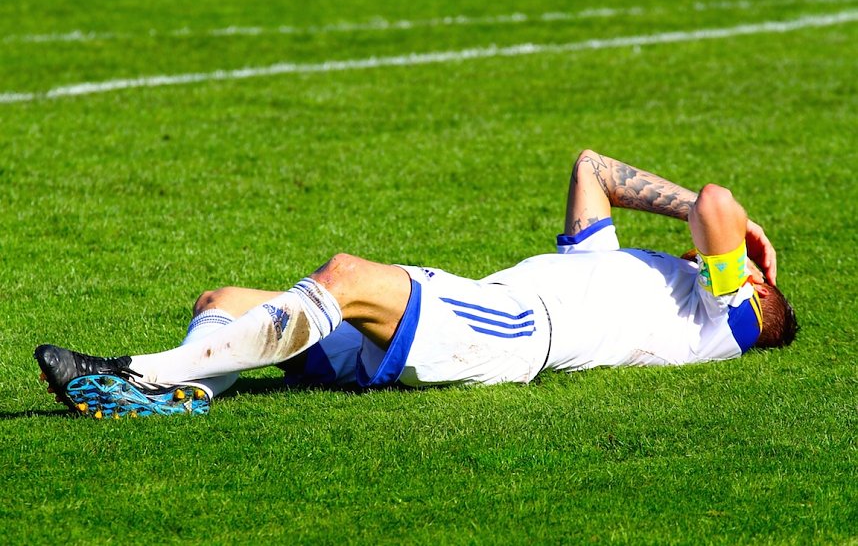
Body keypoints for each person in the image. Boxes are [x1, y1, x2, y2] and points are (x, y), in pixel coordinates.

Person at [35, 149, 797, 418]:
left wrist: (749, 244)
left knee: (345, 276)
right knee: (223, 304)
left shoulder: (722, 319)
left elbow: (715, 204)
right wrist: (691, 232)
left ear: (755, 299)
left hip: (517, 332)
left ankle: (136, 373)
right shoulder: (636, 275)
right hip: (486, 306)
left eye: (749, 276)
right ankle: (183, 396)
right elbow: (593, 167)